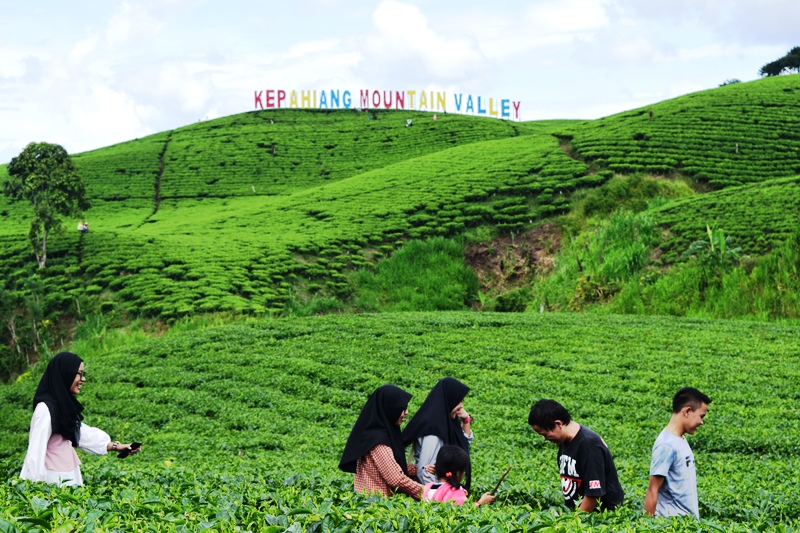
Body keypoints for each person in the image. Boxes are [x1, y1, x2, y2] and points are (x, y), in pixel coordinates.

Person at [20, 352, 140, 486]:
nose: (83, 379)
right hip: (52, 479)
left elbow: (79, 433)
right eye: (79, 374)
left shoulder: (61, 405)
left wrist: (116, 446)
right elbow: (35, 452)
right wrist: (32, 489)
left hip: (68, 475)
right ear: (65, 374)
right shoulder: (45, 409)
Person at [528, 399, 624, 512]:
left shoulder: (589, 444)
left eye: (545, 434)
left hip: (600, 519)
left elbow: (594, 494)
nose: (545, 439)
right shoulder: (565, 442)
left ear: (558, 424)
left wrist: (575, 522)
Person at [339, 384, 423, 499]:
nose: (406, 412)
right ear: (390, 409)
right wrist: (428, 493)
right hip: (377, 504)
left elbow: (393, 466)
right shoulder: (378, 441)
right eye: (402, 408)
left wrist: (420, 469)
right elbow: (396, 479)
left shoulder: (375, 434)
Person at [645, 387, 712, 519]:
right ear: (687, 411)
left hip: (687, 524)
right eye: (701, 416)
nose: (701, 422)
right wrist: (647, 526)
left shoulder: (679, 439)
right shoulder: (666, 445)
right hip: (674, 524)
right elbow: (652, 490)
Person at [402, 377, 474, 490]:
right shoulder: (434, 430)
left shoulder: (447, 422)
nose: (461, 406)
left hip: (445, 490)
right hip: (438, 494)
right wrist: (437, 497)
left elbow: (463, 444)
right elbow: (425, 472)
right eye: (459, 401)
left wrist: (466, 421)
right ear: (449, 399)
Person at [422, 445, 494, 506]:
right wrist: (480, 502)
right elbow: (464, 511)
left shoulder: (427, 487)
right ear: (458, 473)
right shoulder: (455, 491)